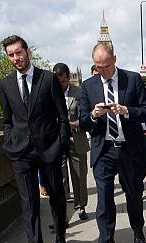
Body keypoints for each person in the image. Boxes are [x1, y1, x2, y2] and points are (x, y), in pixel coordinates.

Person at [0, 35, 70, 243]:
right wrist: (10, 142)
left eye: (19, 52)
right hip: (21, 153)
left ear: (27, 52)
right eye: (11, 55)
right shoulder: (5, 85)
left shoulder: (48, 79)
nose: (16, 58)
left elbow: (62, 116)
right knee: (29, 207)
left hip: (48, 149)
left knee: (56, 195)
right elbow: (8, 121)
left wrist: (60, 145)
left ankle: (60, 233)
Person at [79, 43, 146, 243]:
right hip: (104, 151)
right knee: (104, 204)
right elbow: (82, 122)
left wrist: (126, 111)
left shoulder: (133, 80)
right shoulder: (88, 86)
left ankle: (137, 227)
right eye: (99, 67)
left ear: (115, 59)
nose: (104, 71)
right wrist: (93, 115)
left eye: (107, 66)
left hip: (130, 150)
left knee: (133, 195)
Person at [53, 62, 90, 221]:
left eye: (62, 81)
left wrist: (76, 124)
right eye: (57, 81)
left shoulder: (80, 93)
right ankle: (62, 208)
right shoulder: (49, 93)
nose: (59, 85)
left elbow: (87, 116)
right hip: (57, 140)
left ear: (68, 78)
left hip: (76, 138)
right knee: (59, 176)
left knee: (79, 175)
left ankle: (81, 206)